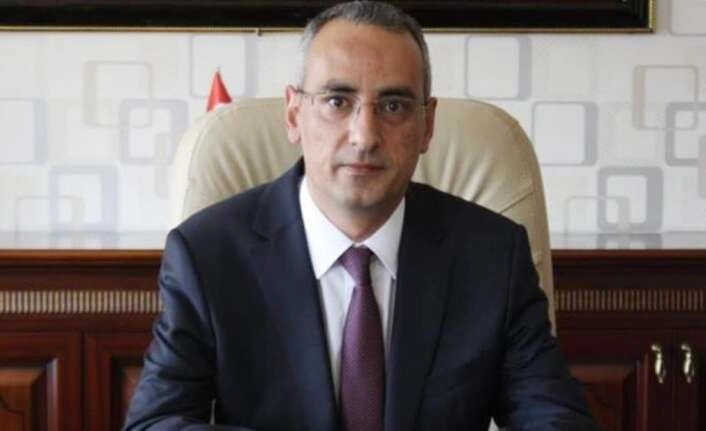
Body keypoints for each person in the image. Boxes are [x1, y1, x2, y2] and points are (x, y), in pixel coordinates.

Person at [124, 1, 599, 430]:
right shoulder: (209, 253)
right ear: (294, 115)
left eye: (393, 105)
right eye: (338, 101)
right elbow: (156, 422)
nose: (365, 135)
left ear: (427, 125)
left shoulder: (492, 256)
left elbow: (555, 418)